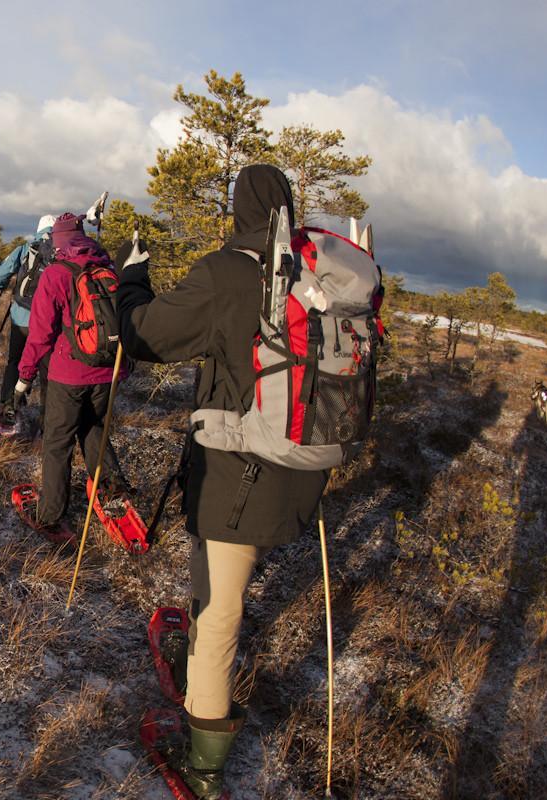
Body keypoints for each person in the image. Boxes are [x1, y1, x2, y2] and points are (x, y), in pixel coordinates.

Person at [116, 165, 328, 798]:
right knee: (221, 592)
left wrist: (132, 278)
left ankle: (204, 764)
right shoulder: (313, 275)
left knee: (221, 620)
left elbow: (145, 335)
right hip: (304, 472)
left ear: (239, 209)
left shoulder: (227, 273)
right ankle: (202, 655)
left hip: (240, 474)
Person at [13, 212, 131, 541]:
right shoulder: (107, 268)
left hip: (68, 375)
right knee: (94, 431)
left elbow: (40, 336)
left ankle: (51, 516)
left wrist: (24, 377)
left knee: (57, 443)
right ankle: (113, 492)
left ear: (58, 241)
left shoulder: (55, 274)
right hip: (107, 372)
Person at [0, 214, 55, 434]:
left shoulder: (26, 248)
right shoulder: (61, 253)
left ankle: (9, 408)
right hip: (47, 324)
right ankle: (47, 422)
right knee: (47, 370)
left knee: (15, 361)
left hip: (20, 319)